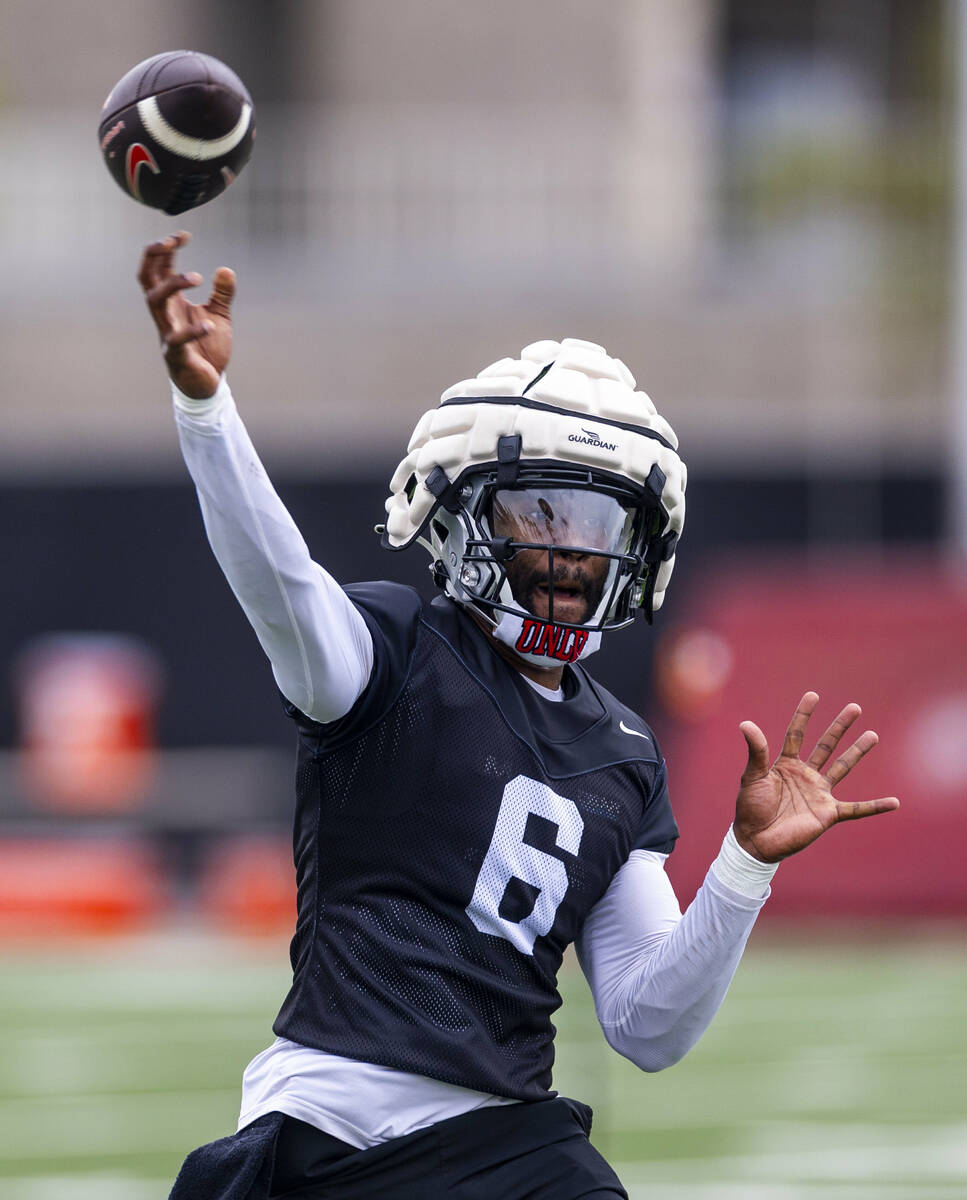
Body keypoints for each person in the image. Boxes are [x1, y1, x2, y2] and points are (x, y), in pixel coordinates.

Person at [140, 232, 900, 1200]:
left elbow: (648, 1026)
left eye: (596, 524)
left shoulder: (621, 751)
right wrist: (206, 412)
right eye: (537, 514)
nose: (570, 551)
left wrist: (743, 867)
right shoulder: (395, 650)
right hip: (324, 1125)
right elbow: (275, 580)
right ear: (457, 513)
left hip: (503, 1146)